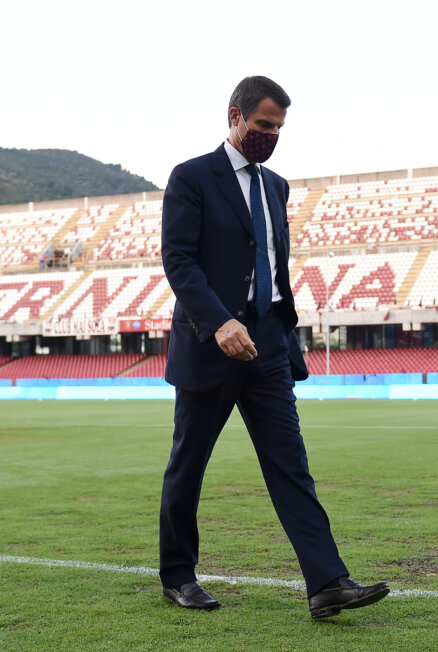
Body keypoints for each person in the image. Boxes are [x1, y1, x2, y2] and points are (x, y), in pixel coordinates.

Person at [158, 75, 389, 619]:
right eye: (264, 125)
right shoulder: (190, 178)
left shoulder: (276, 186)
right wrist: (218, 322)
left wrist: (284, 334)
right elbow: (179, 261)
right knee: (188, 466)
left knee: (291, 466)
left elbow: (274, 268)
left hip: (268, 347)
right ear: (234, 116)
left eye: (279, 128)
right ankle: (178, 575)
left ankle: (328, 582)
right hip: (210, 343)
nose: (271, 136)